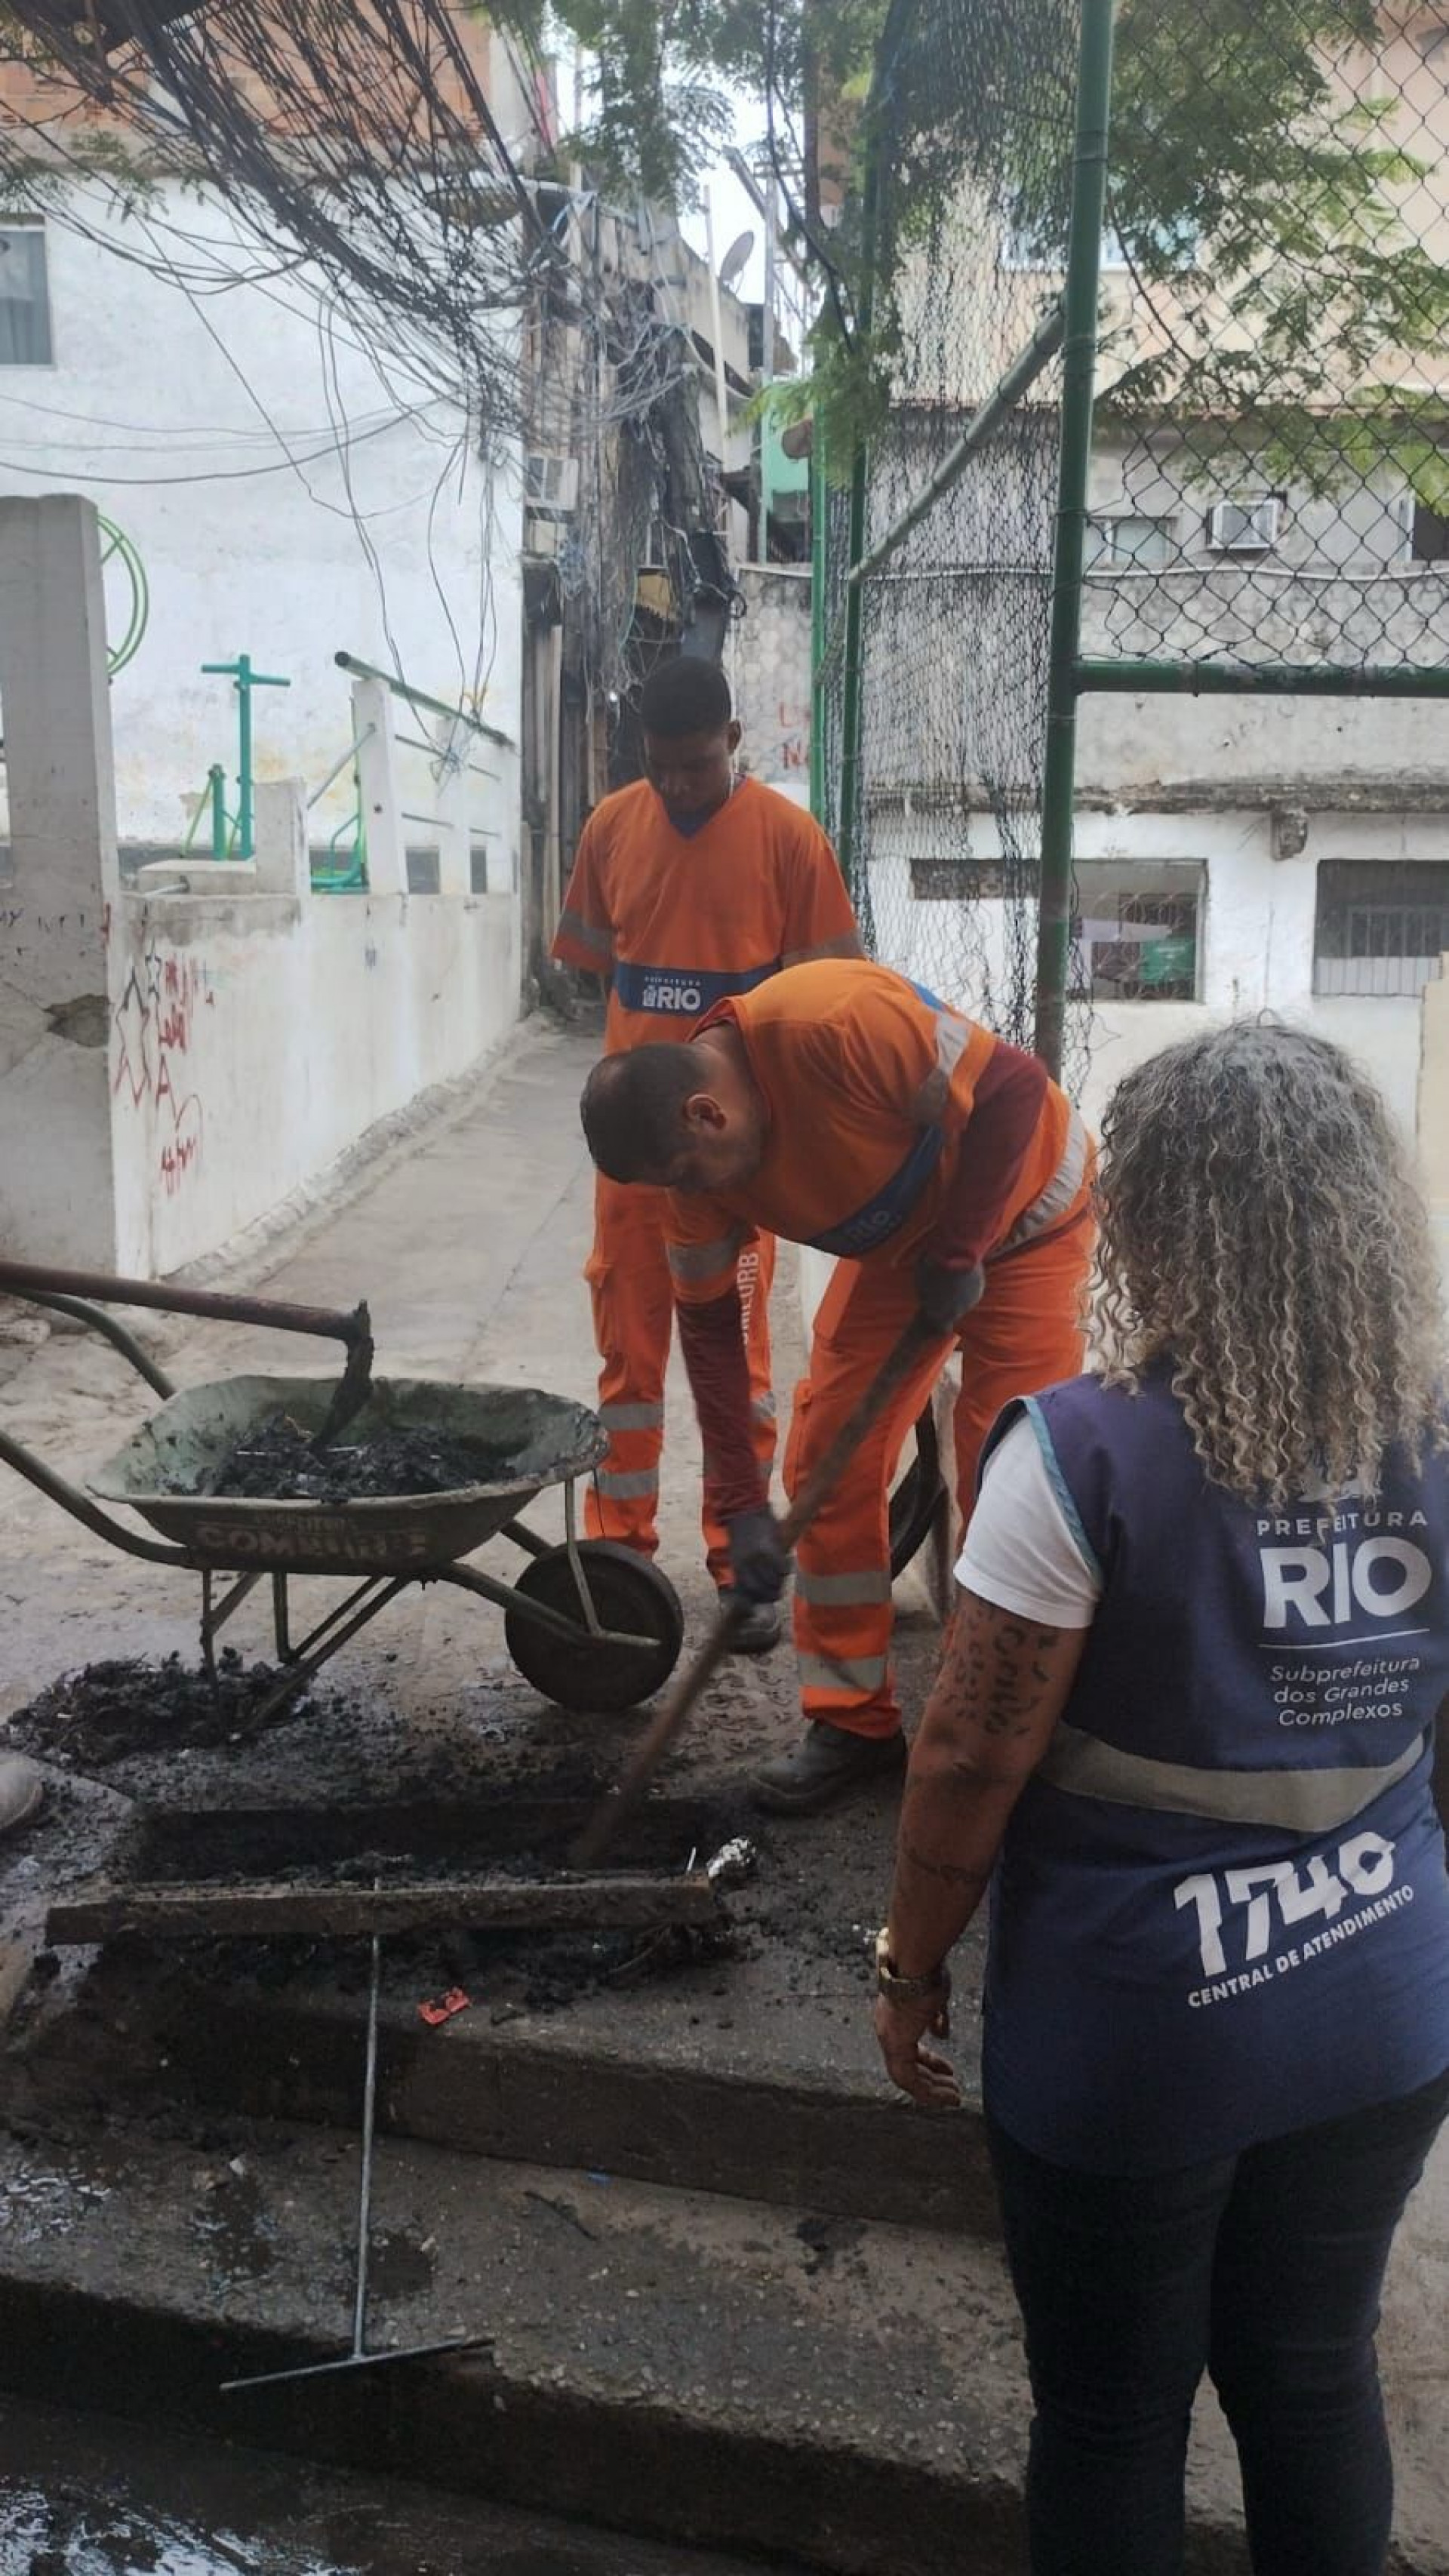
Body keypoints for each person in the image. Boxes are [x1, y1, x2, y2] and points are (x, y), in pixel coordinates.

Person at [871, 1022, 1449, 2576]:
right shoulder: (1441, 1435)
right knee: (1314, 2369)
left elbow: (970, 1757)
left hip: (1136, 2027)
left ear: (1155, 1217)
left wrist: (909, 1961)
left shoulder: (1078, 1450)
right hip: (1383, 2003)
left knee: (1117, 2412)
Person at [580, 956, 1094, 1810]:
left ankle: (996, 1726)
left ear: (706, 1113)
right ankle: (853, 1722)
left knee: (1011, 1469)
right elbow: (710, 1335)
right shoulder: (694, 1173)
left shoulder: (835, 1023)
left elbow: (1015, 1089)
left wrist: (965, 1247)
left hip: (1031, 1215)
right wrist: (742, 1506)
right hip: (907, 1254)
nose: (687, 1195)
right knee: (827, 1462)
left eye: (684, 1173)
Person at [552, 655, 860, 1654]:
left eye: (695, 764)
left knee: (741, 1359)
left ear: (735, 741)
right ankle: (619, 1561)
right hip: (638, 1164)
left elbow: (825, 1004)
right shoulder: (612, 828)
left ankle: (741, 1563)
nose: (678, 784)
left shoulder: (788, 842)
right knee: (627, 1356)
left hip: (728, 1165)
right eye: (660, 768)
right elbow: (598, 966)